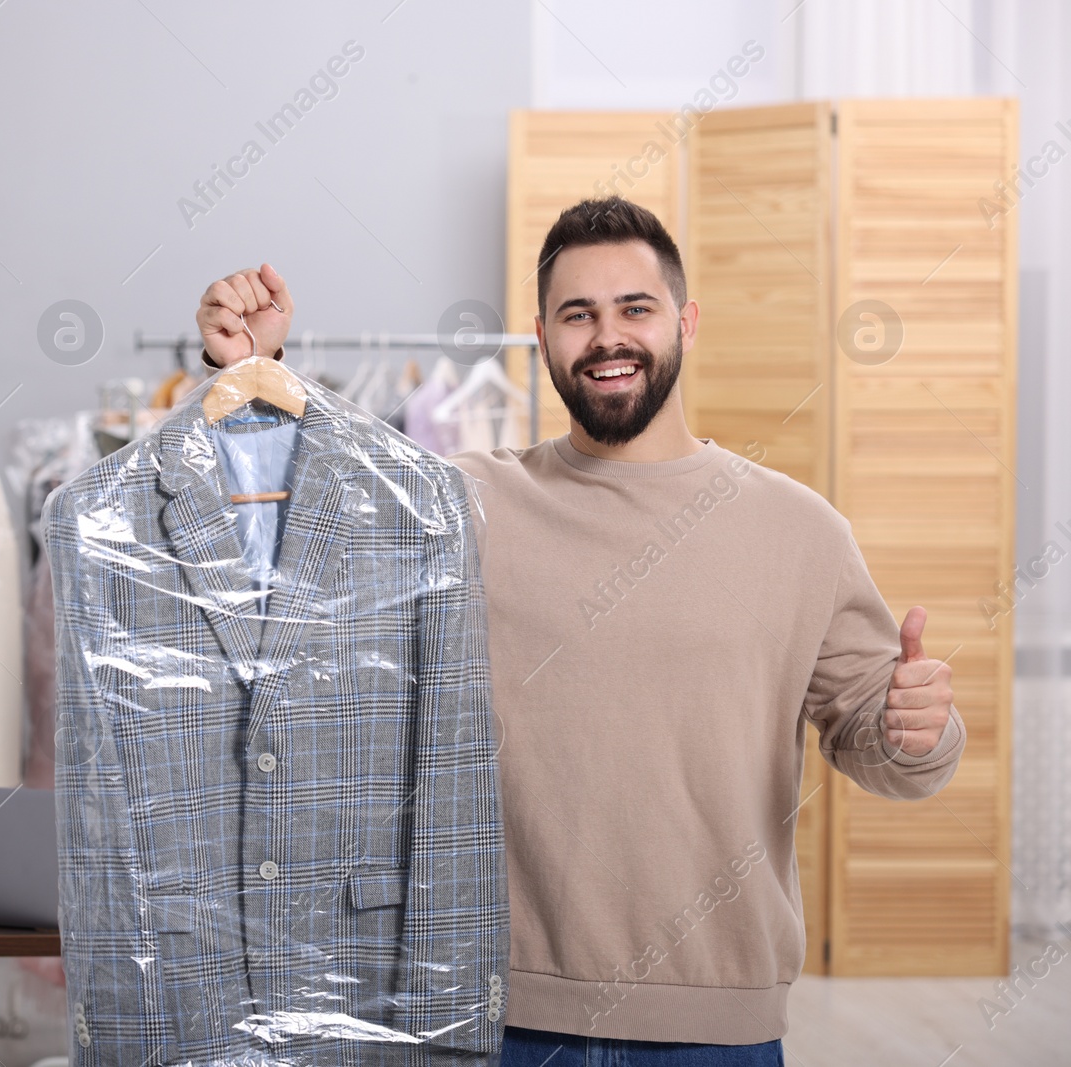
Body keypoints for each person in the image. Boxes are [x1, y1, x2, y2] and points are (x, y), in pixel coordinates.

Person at [194, 197, 965, 1067]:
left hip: (715, 1031)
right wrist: (255, 373)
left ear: (686, 320)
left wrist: (918, 729)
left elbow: (883, 740)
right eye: (578, 314)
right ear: (543, 336)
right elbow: (291, 521)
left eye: (635, 307)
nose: (608, 336)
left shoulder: (801, 531)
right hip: (496, 1018)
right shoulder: (463, 503)